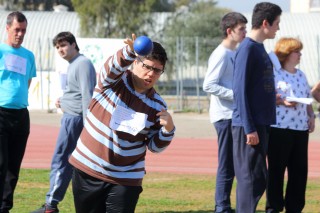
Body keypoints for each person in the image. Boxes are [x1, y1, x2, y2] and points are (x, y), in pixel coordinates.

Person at [68, 34, 175, 213]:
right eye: (147, 66)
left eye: (157, 70)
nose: (151, 73)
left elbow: (154, 146)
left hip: (125, 178)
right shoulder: (112, 81)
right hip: (89, 169)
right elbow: (113, 65)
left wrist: (168, 129)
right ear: (135, 62)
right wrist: (130, 51)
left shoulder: (158, 105)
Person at [32, 32, 96, 213]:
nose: (60, 49)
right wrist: (64, 100)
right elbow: (76, 94)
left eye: (64, 45)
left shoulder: (82, 63)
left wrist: (88, 128)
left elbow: (87, 97)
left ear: (74, 44)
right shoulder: (74, 64)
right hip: (71, 118)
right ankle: (53, 203)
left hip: (74, 120)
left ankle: (50, 205)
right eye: (58, 47)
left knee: (61, 160)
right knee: (70, 162)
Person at [231, 2, 282, 213]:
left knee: (259, 177)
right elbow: (239, 90)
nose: (278, 28)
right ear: (265, 23)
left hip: (261, 122)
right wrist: (248, 127)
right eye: (277, 23)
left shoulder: (259, 48)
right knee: (250, 179)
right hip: (249, 126)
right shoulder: (247, 49)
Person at [202, 12, 247, 213]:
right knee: (227, 164)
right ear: (230, 31)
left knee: (234, 163)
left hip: (233, 115)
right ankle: (222, 206)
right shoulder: (221, 54)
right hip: (224, 116)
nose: (245, 32)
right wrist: (236, 95)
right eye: (241, 29)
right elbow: (209, 85)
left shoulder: (234, 53)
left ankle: (225, 205)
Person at [265, 37, 315, 213]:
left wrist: (311, 116)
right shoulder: (273, 74)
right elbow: (265, 98)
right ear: (286, 53)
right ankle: (274, 207)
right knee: (276, 171)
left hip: (300, 130)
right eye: (297, 51)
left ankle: (294, 208)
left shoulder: (301, 74)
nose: (300, 54)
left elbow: (308, 98)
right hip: (279, 129)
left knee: (299, 172)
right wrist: (280, 102)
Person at [0, 11, 37, 213]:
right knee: (1, 163)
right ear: (7, 28)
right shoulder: (0, 52)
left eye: (23, 30)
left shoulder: (29, 55)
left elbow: (28, 82)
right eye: (17, 30)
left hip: (21, 115)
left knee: (13, 167)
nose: (20, 34)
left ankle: (5, 207)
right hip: (1, 113)